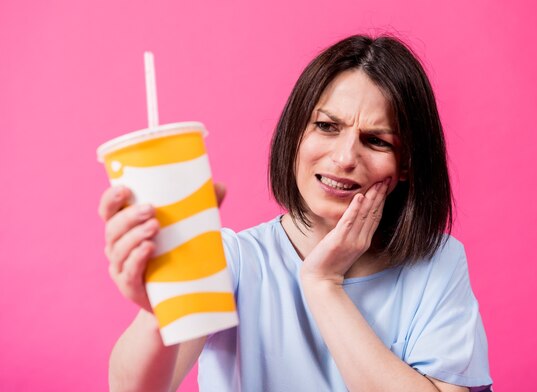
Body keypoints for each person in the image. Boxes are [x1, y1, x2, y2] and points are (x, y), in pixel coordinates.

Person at [98, 35, 492, 392]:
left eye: (375, 140)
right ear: (295, 134)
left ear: (405, 165)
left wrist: (323, 283)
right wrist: (157, 313)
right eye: (326, 125)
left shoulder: (438, 263)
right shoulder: (230, 262)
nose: (343, 158)